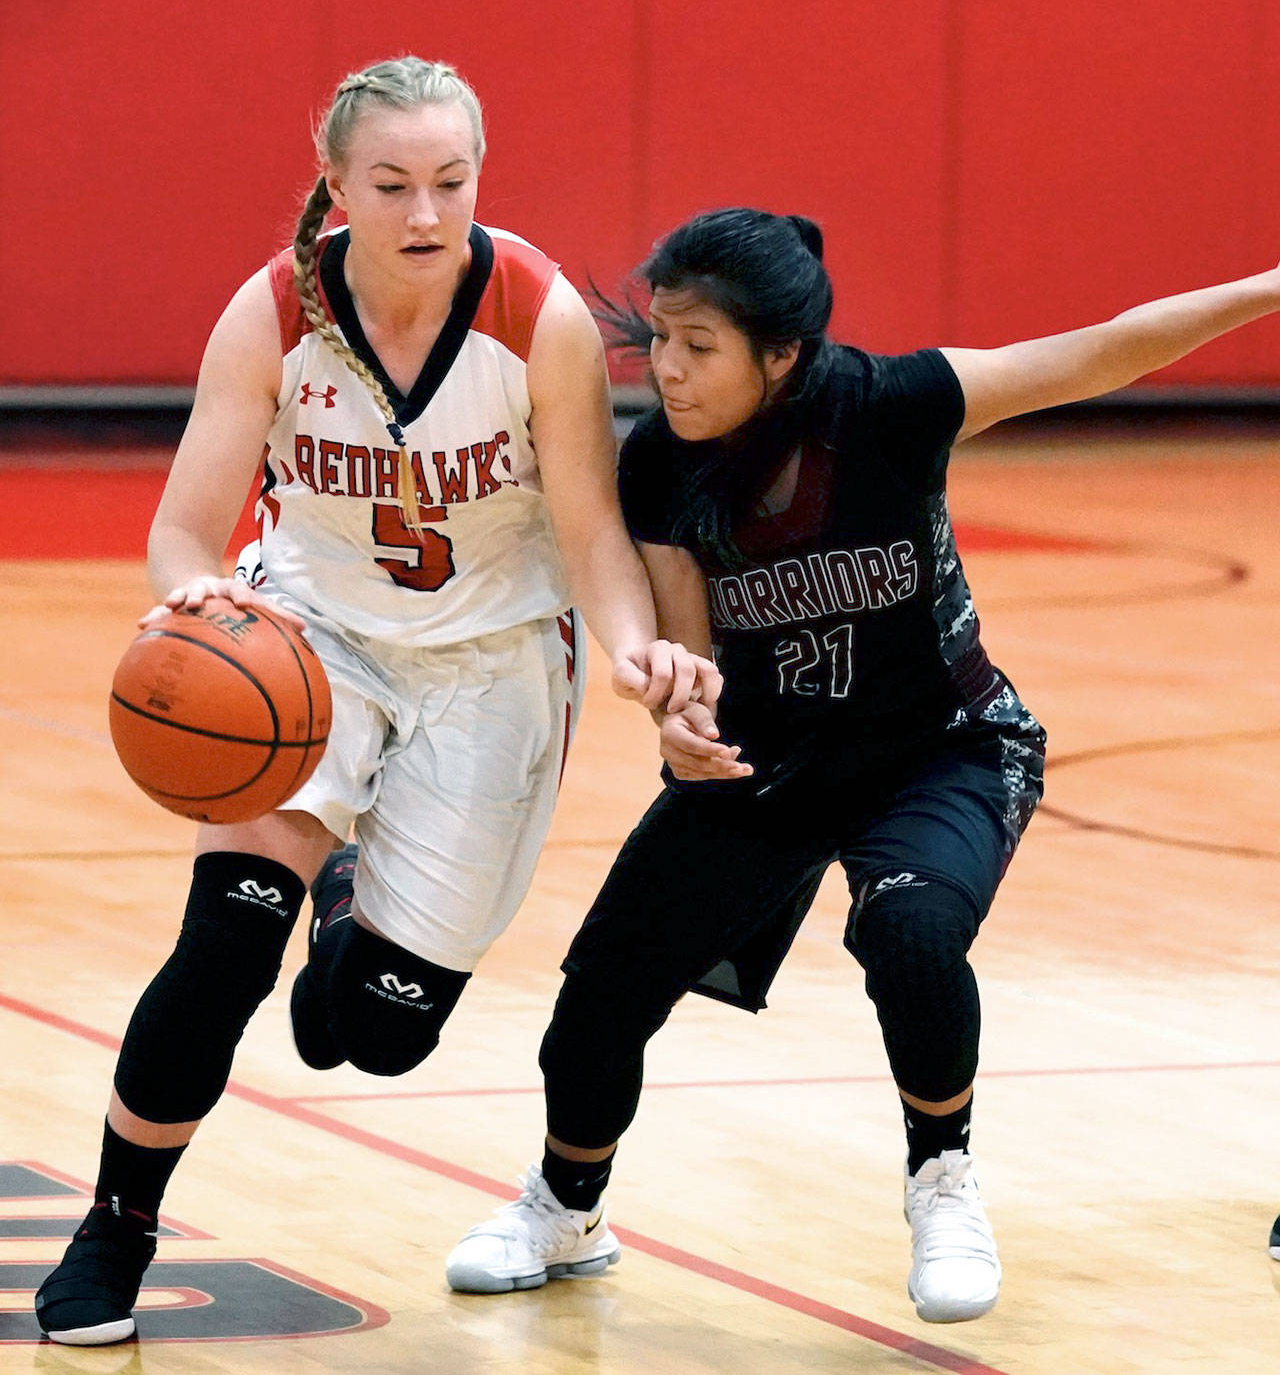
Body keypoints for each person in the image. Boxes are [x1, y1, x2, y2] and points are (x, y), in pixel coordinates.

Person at [440, 208, 1280, 1323]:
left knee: (910, 932)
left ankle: (943, 1181)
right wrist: (679, 720)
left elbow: (1101, 349)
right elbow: (690, 648)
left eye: (699, 346)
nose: (666, 369)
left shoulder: (890, 405)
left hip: (941, 747)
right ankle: (566, 1207)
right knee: (601, 992)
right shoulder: (661, 463)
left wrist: (1266, 287)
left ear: (780, 354)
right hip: (772, 765)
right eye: (662, 338)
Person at [34, 56, 715, 1347]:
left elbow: (590, 530)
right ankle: (115, 1227)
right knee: (224, 945)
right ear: (336, 185)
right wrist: (193, 600)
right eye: (392, 184)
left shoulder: (537, 315)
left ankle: (347, 903)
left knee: (371, 1034)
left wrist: (641, 655)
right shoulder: (273, 311)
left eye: (451, 181)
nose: (425, 212)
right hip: (312, 645)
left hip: (491, 663)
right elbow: (183, 531)